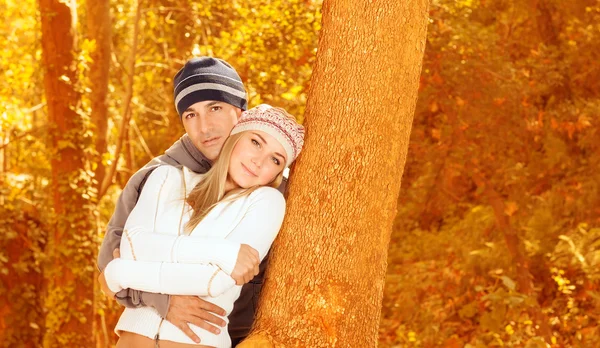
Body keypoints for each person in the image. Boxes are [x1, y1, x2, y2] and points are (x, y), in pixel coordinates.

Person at [97, 57, 287, 345]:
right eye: (190, 115)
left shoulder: (272, 189)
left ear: (240, 113)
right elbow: (112, 270)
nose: (205, 127)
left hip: (233, 335)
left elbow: (221, 278)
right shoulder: (160, 176)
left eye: (215, 108)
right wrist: (164, 300)